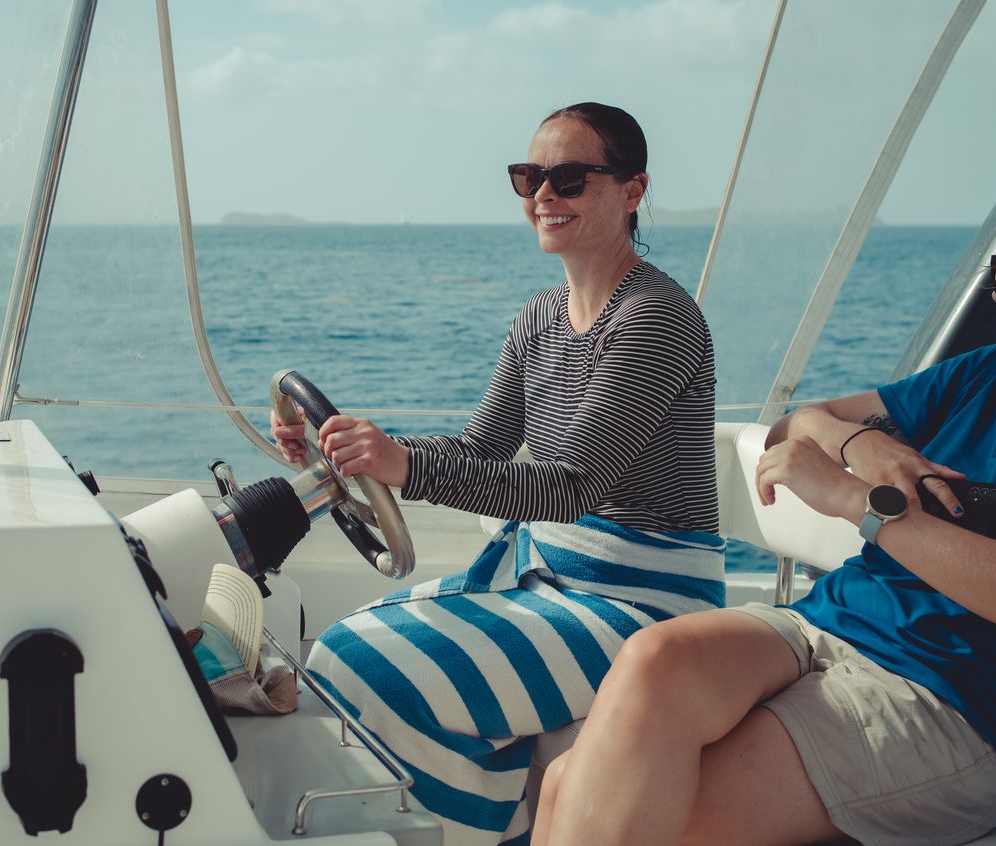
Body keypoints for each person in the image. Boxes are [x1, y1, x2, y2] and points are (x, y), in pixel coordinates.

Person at [531, 181, 996, 846]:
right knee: (651, 665)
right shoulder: (987, 379)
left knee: (623, 804)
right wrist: (865, 445)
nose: (993, 287)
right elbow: (797, 428)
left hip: (952, 703)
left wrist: (863, 505)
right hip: (830, 626)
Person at [271, 102, 723, 845]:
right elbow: (481, 449)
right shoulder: (538, 316)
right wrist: (348, 451)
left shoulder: (656, 318)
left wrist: (405, 467)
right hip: (547, 577)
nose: (544, 195)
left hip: (645, 601)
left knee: (365, 663)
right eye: (529, 176)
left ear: (632, 191)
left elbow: (569, 485)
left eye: (570, 177)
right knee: (339, 645)